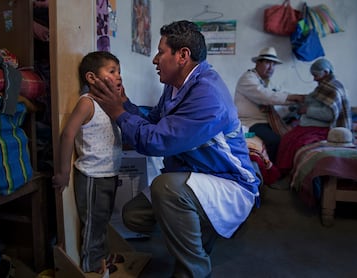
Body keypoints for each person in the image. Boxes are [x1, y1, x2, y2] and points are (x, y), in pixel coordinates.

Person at [91, 20, 260, 278]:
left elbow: (156, 142)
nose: (155, 60)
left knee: (166, 187)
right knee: (134, 215)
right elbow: (156, 121)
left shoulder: (207, 95)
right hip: (199, 175)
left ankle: (194, 269)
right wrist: (125, 104)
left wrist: (117, 112)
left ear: (182, 55)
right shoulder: (176, 86)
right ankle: (196, 235)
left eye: (160, 52)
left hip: (229, 182)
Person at [52, 51, 124, 274]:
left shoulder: (111, 103)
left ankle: (100, 258)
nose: (118, 76)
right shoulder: (87, 103)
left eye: (119, 72)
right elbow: (67, 135)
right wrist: (63, 172)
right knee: (93, 224)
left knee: (103, 221)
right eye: (112, 71)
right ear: (91, 78)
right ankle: (91, 266)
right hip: (93, 176)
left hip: (109, 174)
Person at [275, 58, 352, 175]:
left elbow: (329, 114)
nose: (314, 79)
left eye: (316, 75)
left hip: (323, 128)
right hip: (311, 124)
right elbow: (312, 98)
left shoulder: (333, 88)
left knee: (294, 141)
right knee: (287, 138)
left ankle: (285, 171)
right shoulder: (324, 86)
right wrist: (296, 99)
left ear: (326, 73)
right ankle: (283, 171)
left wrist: (307, 110)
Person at [234, 46, 304, 163]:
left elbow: (276, 95)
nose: (271, 67)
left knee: (291, 133)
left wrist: (295, 102)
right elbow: (266, 96)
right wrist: (294, 97)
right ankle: (273, 169)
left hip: (264, 121)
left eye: (274, 64)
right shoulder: (248, 78)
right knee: (275, 140)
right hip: (250, 123)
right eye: (267, 63)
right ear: (258, 63)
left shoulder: (265, 81)